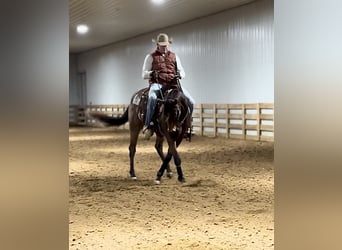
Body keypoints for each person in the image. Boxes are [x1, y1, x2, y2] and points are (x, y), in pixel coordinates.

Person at [141, 33, 195, 139]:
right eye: (162, 45)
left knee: (191, 101)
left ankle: (186, 125)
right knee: (152, 97)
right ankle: (149, 125)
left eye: (166, 45)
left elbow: (182, 71)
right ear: (157, 45)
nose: (165, 47)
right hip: (157, 84)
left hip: (173, 84)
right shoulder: (150, 57)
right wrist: (151, 73)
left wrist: (180, 75)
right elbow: (143, 74)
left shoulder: (174, 56)